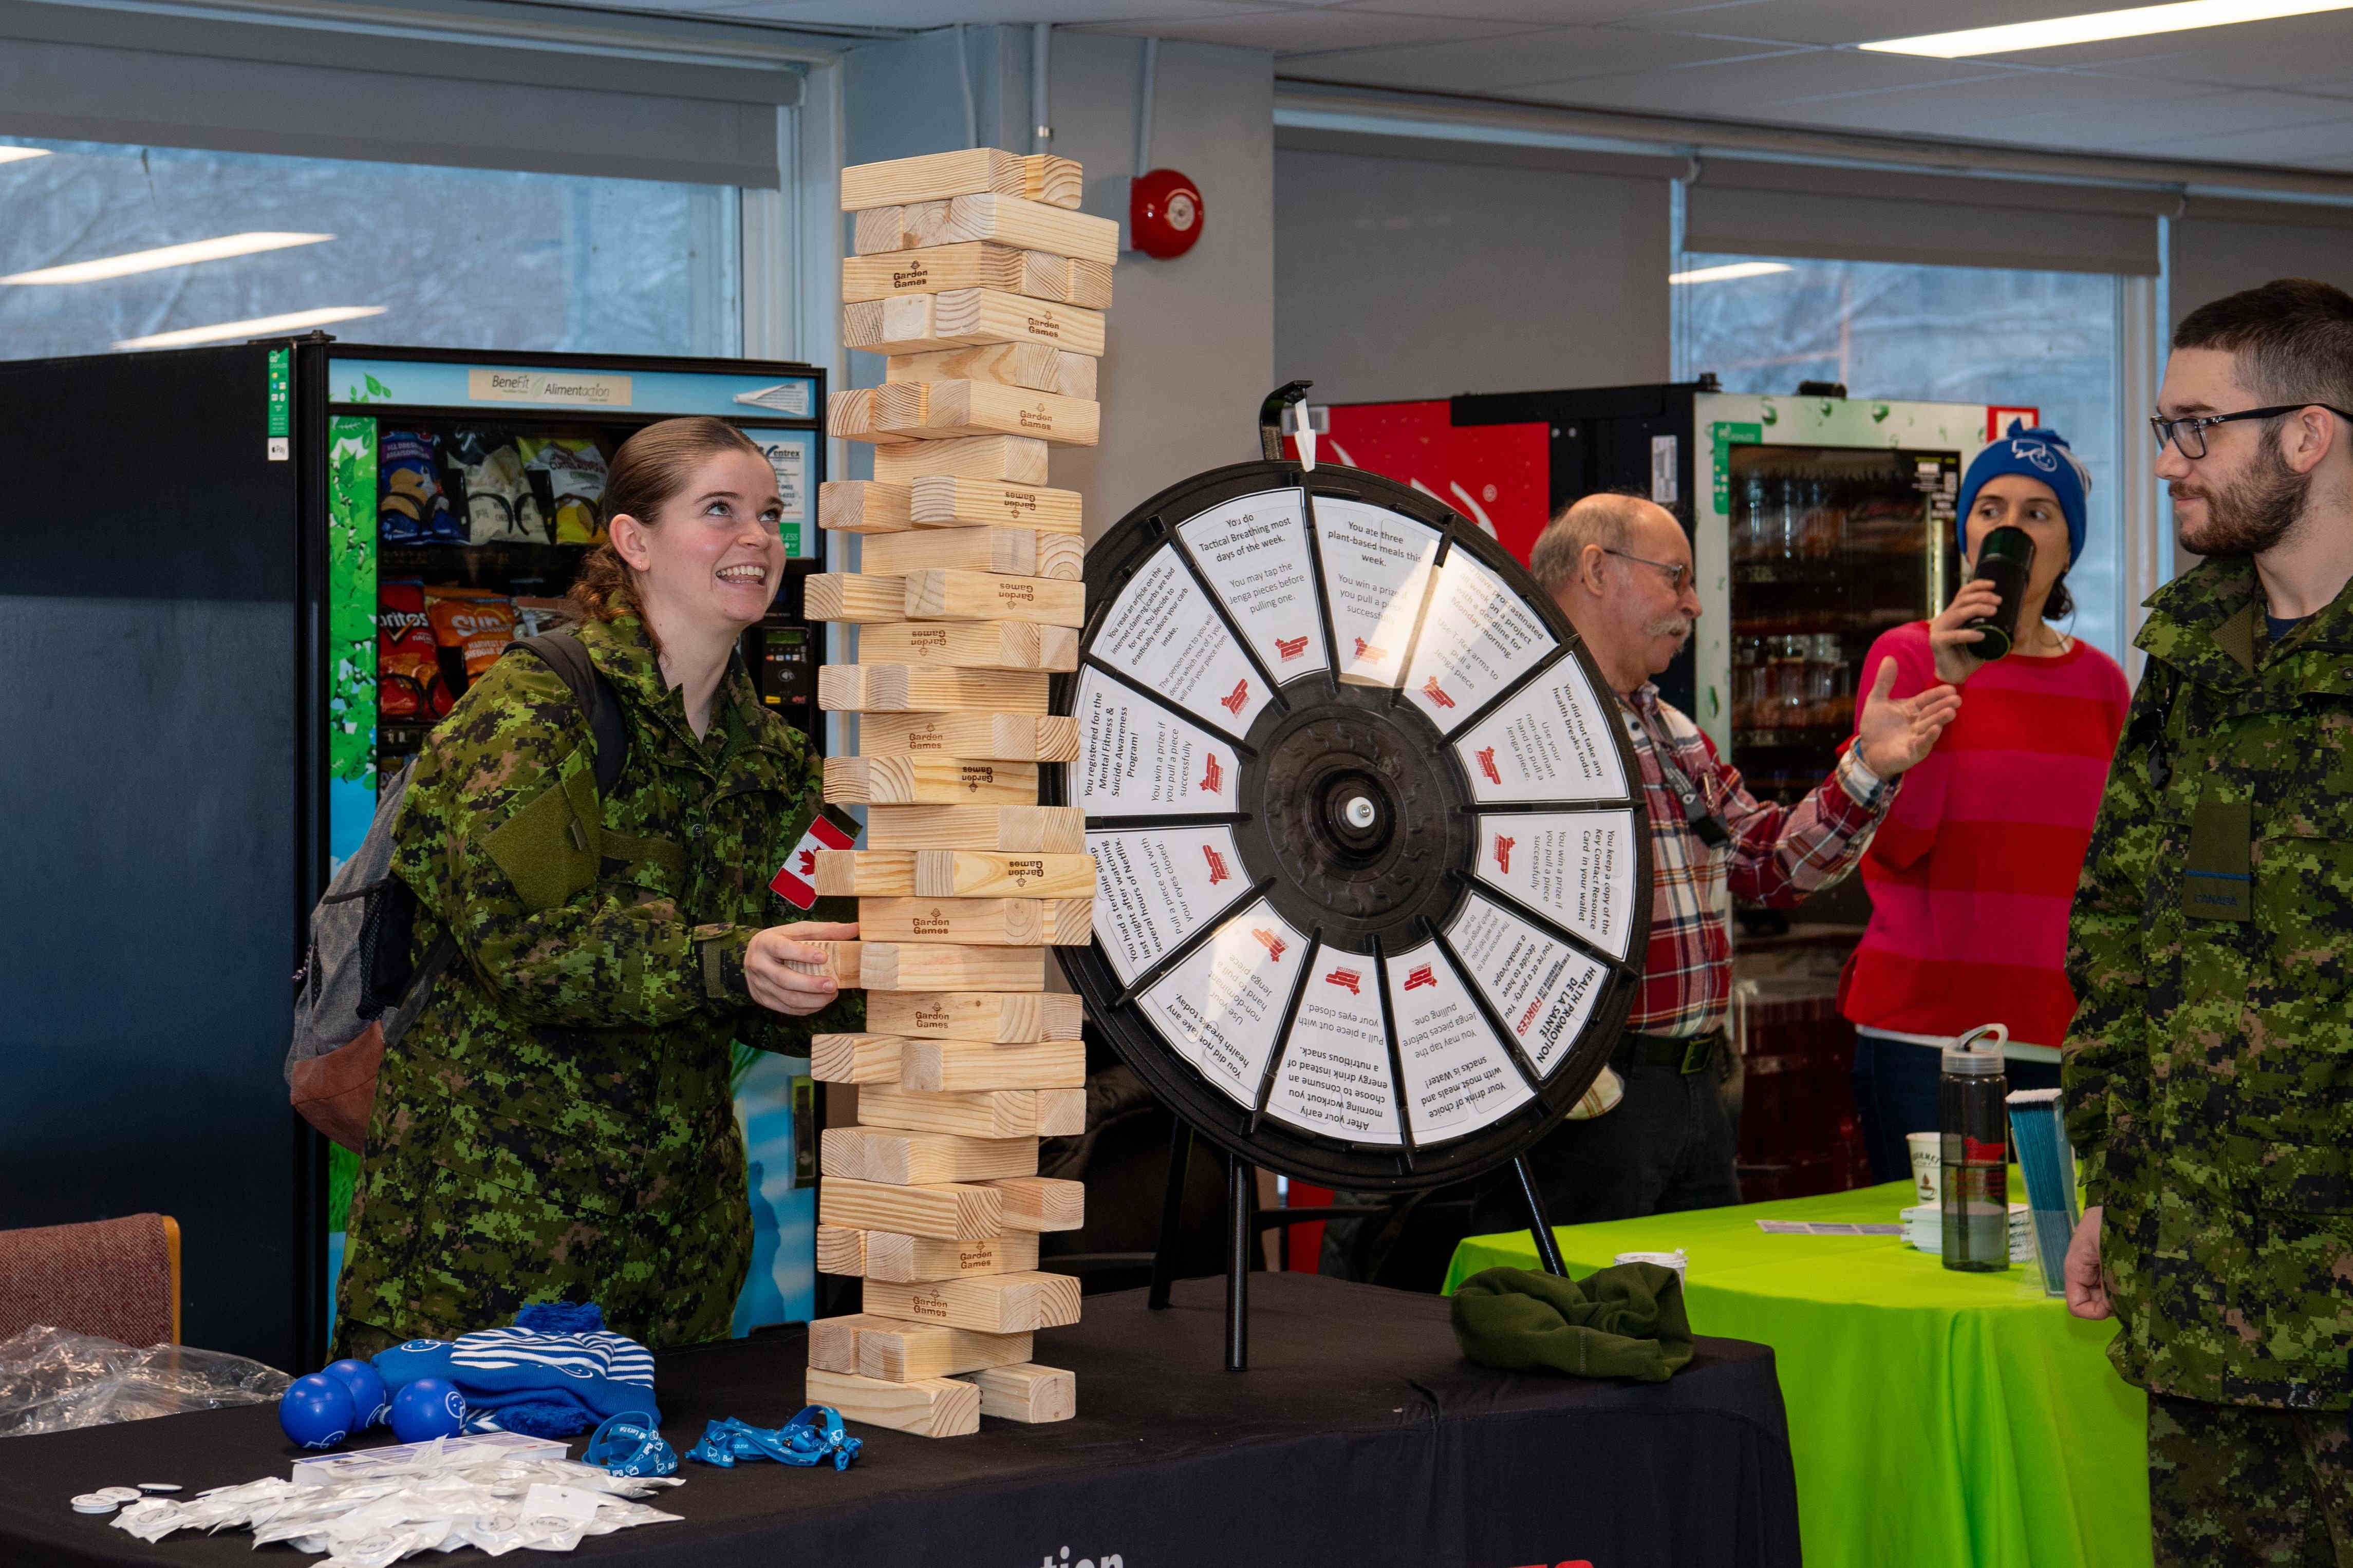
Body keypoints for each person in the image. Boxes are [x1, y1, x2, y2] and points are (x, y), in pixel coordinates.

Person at [336, 417, 859, 1358]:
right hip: (490, 1255)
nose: (758, 538)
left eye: (771, 514)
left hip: (678, 1270)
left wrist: (915, 968)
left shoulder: (775, 762)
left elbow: (785, 973)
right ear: (634, 541)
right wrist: (729, 960)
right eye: (720, 511)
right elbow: (530, 947)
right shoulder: (535, 707)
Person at [2064, 277, 2353, 1563]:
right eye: (2164, 430)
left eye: (2198, 427)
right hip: (2199, 1294)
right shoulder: (2189, 657)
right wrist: (2106, 1187)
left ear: (2309, 433)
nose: (2169, 464)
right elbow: (2118, 941)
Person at [1474, 491, 1962, 1231]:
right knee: (1595, 1320)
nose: (1695, 604)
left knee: (1701, 1325)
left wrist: (1867, 769)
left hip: (1697, 1092)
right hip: (1589, 1097)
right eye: (1675, 577)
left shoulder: (1667, 728)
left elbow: (1767, 862)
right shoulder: (1507, 721)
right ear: (1597, 571)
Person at [1840, 426, 2131, 1185]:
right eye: (1991, 509)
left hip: (2060, 1033)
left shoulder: (2103, 683)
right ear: (1966, 531)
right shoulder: (1907, 656)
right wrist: (1950, 680)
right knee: (1927, 1266)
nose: (2011, 529)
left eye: (2039, 514)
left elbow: (2114, 872)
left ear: (2068, 546)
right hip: (1925, 1037)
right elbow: (1897, 845)